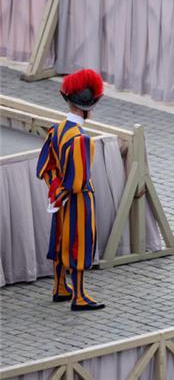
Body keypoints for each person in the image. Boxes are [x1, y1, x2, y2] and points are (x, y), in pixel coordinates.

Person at [36, 69, 106, 311]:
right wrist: (64, 194)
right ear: (87, 108)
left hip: (59, 199)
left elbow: (45, 167)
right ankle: (79, 296)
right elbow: (78, 182)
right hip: (78, 199)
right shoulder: (81, 139)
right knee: (79, 243)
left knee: (60, 241)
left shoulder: (56, 130)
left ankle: (59, 287)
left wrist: (56, 194)